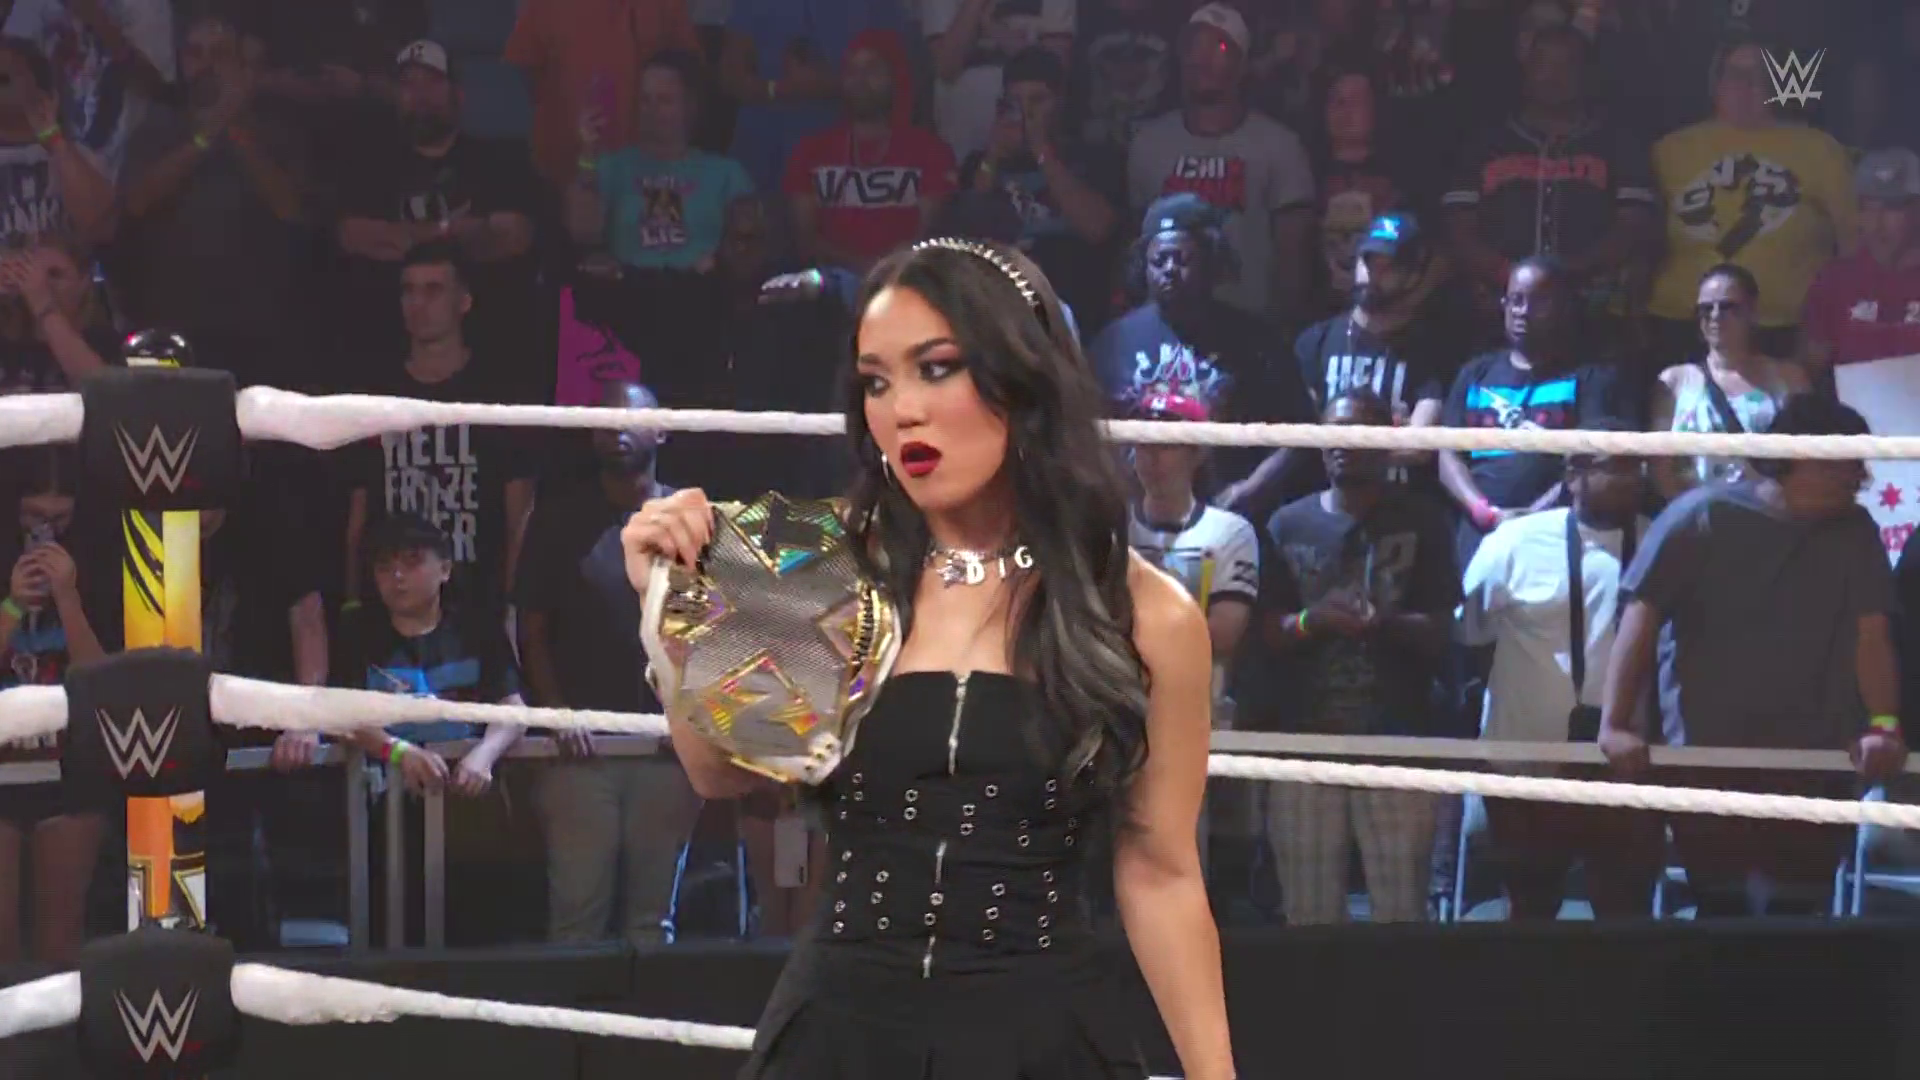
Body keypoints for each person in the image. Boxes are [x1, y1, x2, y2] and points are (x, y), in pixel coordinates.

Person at [621, 239, 1234, 1077]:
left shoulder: (1147, 613)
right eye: (876, 382)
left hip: (1041, 1040)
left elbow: (1161, 873)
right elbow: (719, 774)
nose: (902, 410)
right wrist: (673, 608)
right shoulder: (823, 566)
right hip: (839, 1033)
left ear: (1023, 379)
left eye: (936, 368)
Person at [1601, 395, 1905, 917]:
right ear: (1801, 457)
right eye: (1851, 462)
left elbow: (1872, 638)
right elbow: (1639, 619)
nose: (1863, 478)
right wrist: (1615, 724)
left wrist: (1884, 725)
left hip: (1815, 764)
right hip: (1709, 762)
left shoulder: (1855, 531)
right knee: (1722, 913)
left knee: (1798, 914)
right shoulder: (1701, 516)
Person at [1257, 389, 1456, 926]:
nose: (1343, 443)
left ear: (1387, 440)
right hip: (1302, 741)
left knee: (1400, 912)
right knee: (1307, 913)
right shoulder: (1287, 523)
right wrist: (1313, 620)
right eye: (1334, 431)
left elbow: (1443, 633)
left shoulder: (1423, 520)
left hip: (1397, 738)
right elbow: (1265, 634)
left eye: (1358, 429)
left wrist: (1384, 622)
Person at [516, 381, 701, 947]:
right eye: (604, 418)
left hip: (666, 752)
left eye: (629, 417)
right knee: (577, 919)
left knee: (653, 925)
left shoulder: (694, 518)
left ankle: (650, 1012)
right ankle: (572, 1011)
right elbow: (530, 628)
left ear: (661, 430)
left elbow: (718, 630)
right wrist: (556, 713)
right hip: (580, 752)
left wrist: (689, 715)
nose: (615, 427)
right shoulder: (557, 519)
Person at [1458, 434, 1660, 920]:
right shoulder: (1513, 542)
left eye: (1637, 466)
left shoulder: (1661, 541)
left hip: (1626, 759)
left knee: (1624, 910)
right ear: (1574, 475)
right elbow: (1471, 637)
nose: (1631, 478)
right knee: (1530, 906)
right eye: (1616, 466)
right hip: (1526, 755)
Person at [0, 446, 105, 966]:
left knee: (58, 948)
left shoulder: (98, 564)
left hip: (69, 771)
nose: (45, 531)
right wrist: (13, 604)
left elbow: (102, 680)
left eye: (58, 519)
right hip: (3, 765)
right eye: (33, 517)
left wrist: (68, 597)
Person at [1649, 264, 1807, 501]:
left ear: (1752, 312)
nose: (1714, 316)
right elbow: (1661, 468)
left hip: (1771, 515)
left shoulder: (1789, 378)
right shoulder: (1674, 381)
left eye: (1727, 307)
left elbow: (1807, 460)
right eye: (1705, 309)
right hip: (1699, 516)